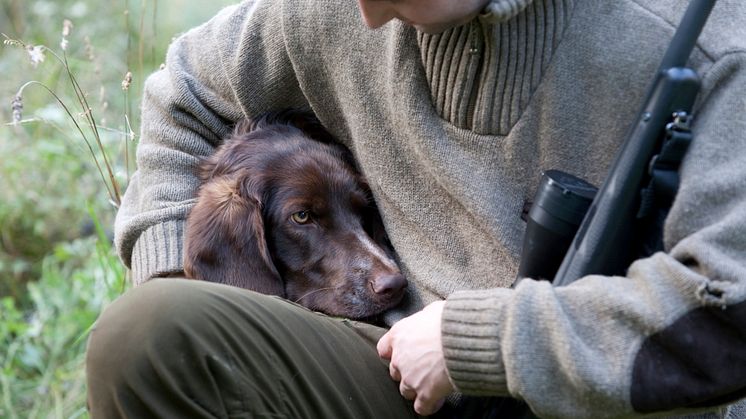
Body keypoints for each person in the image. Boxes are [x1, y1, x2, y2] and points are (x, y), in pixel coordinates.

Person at [85, 0, 746, 417]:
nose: (363, 17)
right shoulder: (341, 8)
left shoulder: (709, 45)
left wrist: (481, 341)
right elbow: (184, 96)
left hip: (595, 398)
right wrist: (198, 277)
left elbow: (733, 313)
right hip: (390, 368)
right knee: (148, 333)